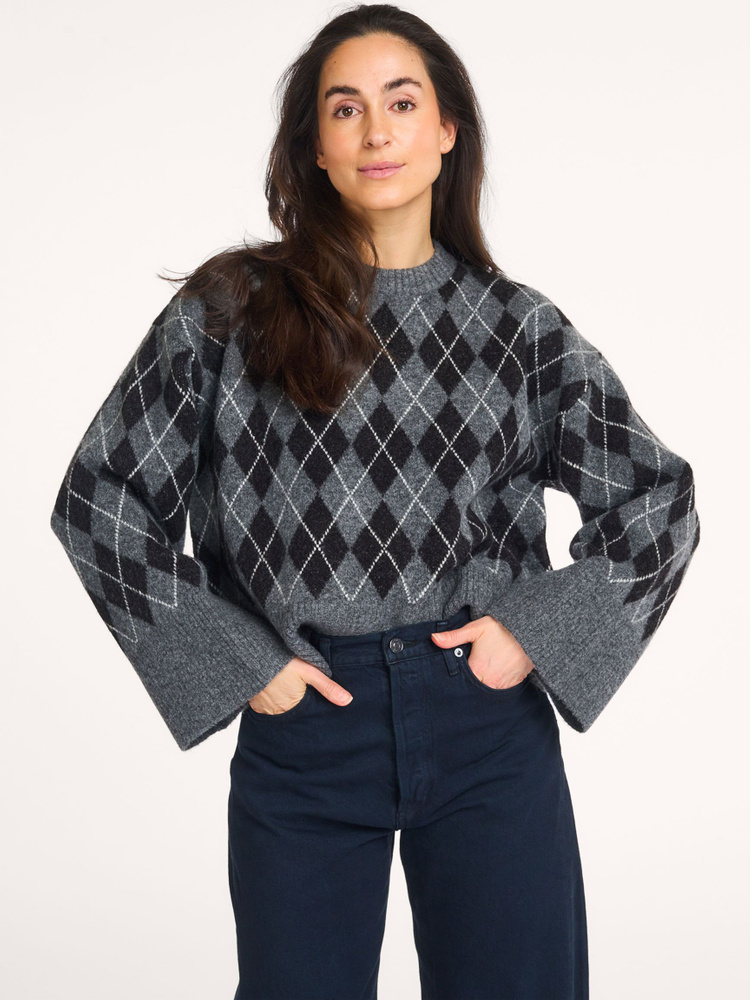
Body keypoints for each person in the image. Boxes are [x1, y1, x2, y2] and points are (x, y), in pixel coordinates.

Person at [49, 4, 701, 998]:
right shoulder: (231, 311)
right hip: (309, 727)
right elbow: (101, 498)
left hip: (485, 727)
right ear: (315, 146)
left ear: (447, 130)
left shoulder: (520, 330)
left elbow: (658, 500)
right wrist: (242, 663)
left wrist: (531, 634)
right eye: (344, 108)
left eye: (401, 103)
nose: (375, 132)